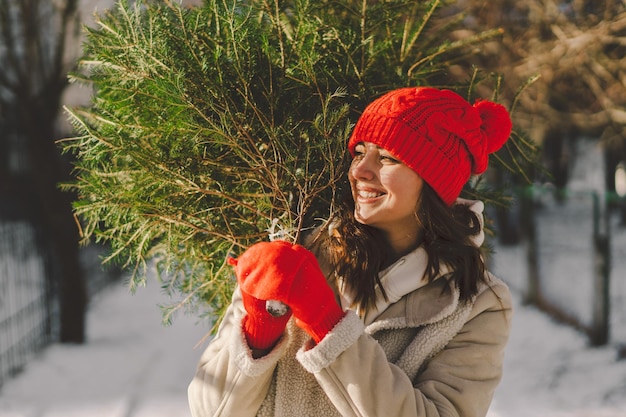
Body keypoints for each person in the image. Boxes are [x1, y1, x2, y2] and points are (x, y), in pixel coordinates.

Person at [188, 86, 514, 417]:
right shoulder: (298, 255)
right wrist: (258, 328)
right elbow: (208, 410)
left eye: (386, 157)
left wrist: (328, 326)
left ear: (434, 179)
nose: (359, 171)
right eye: (359, 152)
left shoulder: (477, 304)